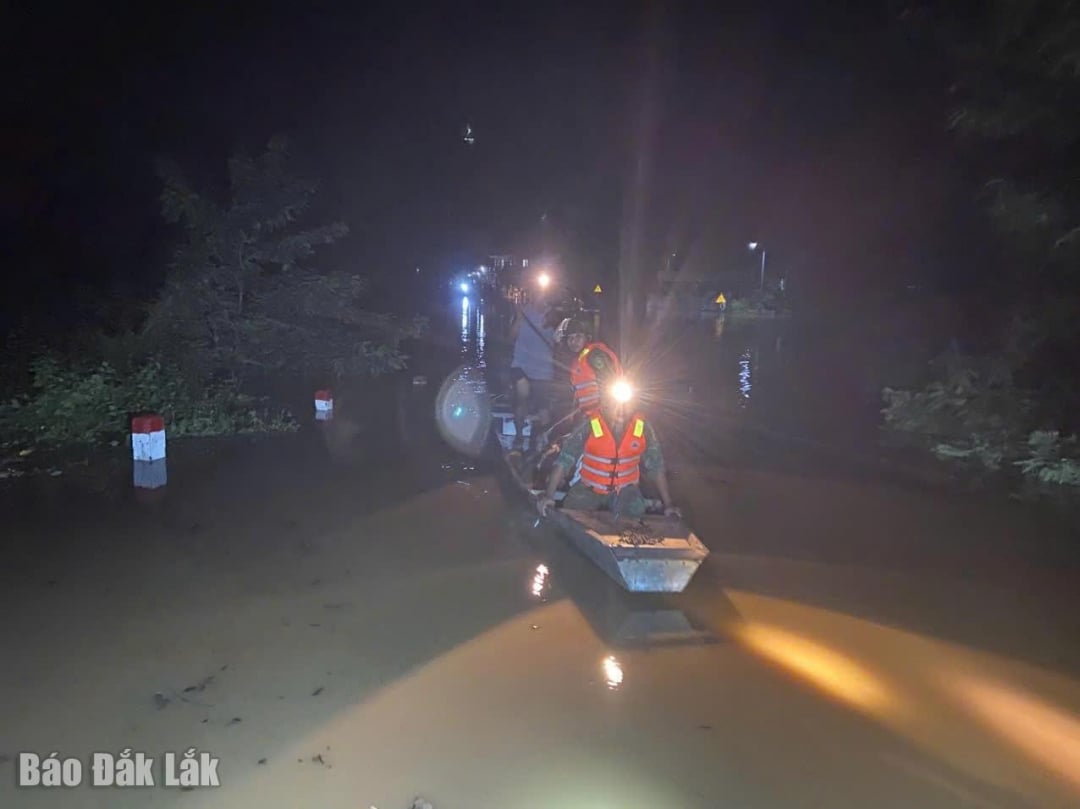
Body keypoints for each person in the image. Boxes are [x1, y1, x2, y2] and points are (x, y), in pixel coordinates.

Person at [536, 369, 680, 520]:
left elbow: (656, 465)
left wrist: (668, 504)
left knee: (635, 519)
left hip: (626, 491)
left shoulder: (642, 427)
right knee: (569, 518)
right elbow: (564, 461)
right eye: (615, 404)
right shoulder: (590, 424)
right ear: (605, 404)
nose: (621, 410)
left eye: (626, 405)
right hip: (589, 488)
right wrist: (549, 495)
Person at [507, 283, 560, 451]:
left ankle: (542, 441)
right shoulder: (522, 313)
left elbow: (559, 340)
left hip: (543, 368)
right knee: (522, 394)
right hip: (521, 363)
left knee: (542, 406)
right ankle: (519, 435)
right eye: (537, 295)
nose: (540, 299)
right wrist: (519, 317)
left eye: (543, 296)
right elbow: (511, 337)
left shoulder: (553, 316)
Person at [563, 317, 623, 417]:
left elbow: (609, 382)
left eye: (578, 336)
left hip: (603, 415)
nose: (574, 341)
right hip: (588, 415)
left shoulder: (594, 355)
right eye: (570, 338)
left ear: (587, 337)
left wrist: (607, 411)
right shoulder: (577, 361)